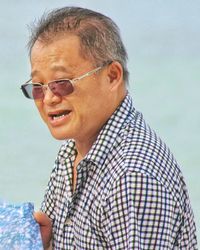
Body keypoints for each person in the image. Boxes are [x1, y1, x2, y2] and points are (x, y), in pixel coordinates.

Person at [21, 6, 198, 249]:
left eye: (62, 83)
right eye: (39, 87)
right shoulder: (71, 151)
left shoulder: (132, 176)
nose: (49, 98)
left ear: (112, 76)